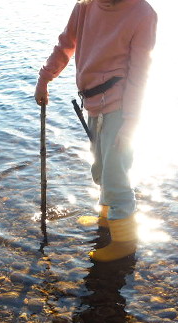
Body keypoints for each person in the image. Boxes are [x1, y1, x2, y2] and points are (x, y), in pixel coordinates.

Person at [34, 0, 157, 262]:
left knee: (116, 174)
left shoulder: (142, 13)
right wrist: (44, 79)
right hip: (92, 104)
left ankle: (124, 242)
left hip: (121, 109)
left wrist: (130, 123)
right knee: (100, 168)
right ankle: (107, 220)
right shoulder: (85, 7)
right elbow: (65, 46)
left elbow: (140, 76)